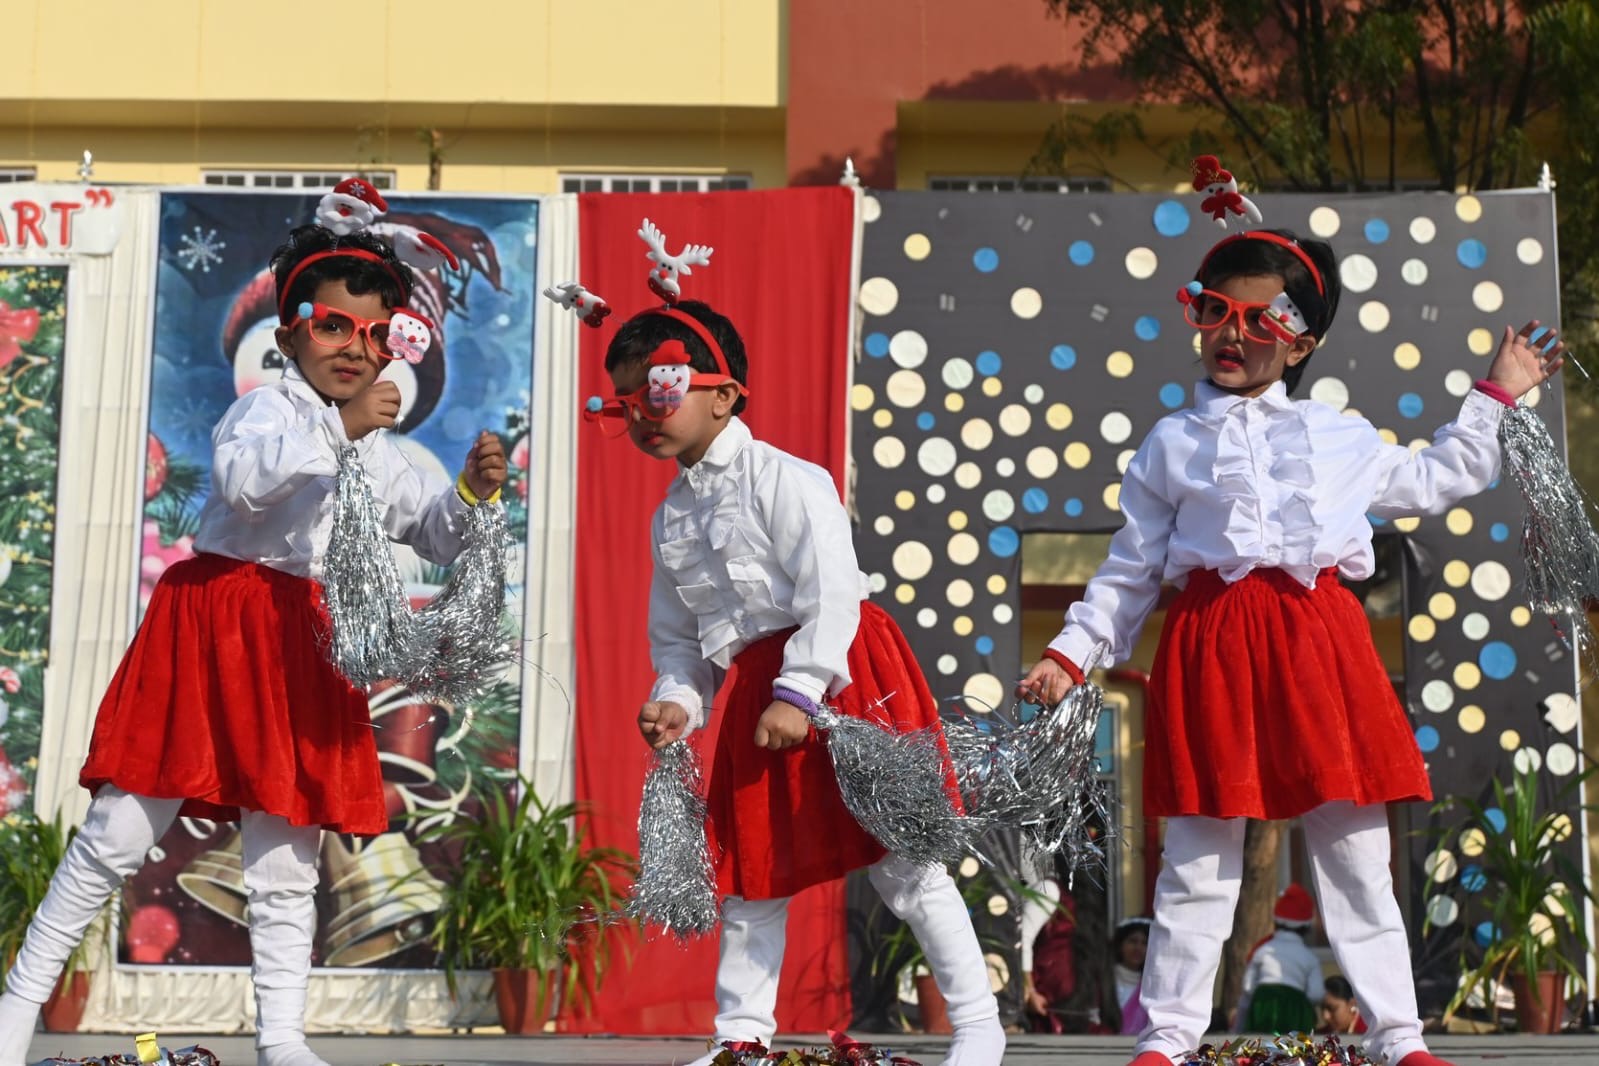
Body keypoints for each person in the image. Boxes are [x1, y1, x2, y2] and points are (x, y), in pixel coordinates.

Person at [1017, 225, 1565, 1066]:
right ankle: (1167, 1036)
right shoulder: (1171, 442)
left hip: (1320, 646)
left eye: (1259, 319)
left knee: (1353, 850)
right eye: (1214, 311)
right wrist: (1069, 652)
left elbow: (1438, 476)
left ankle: (1397, 1034)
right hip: (1211, 645)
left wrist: (1494, 393)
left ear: (1301, 342)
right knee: (1197, 853)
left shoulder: (1338, 436)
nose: (1231, 333)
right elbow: (1130, 568)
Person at [0, 223, 507, 1066]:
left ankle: (281, 1039)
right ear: (290, 334)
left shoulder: (380, 448)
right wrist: (342, 427)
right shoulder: (266, 410)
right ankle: (17, 1004)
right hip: (214, 628)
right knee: (119, 834)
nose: (356, 348)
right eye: (334, 326)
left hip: (304, 642)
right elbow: (246, 483)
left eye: (377, 333)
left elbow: (434, 533)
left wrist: (470, 490)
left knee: (286, 856)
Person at [608, 300, 1003, 1066]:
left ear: (723, 395)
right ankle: (740, 1039)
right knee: (751, 871)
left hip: (843, 671)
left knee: (903, 861)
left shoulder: (785, 478)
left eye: (657, 392)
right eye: (625, 401)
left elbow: (832, 593)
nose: (640, 415)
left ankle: (979, 1027)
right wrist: (678, 700)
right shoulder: (669, 518)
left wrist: (801, 690)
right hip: (759, 692)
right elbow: (680, 641)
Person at [1236, 883, 1323, 1033]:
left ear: (1276, 920)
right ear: (1306, 926)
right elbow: (1317, 993)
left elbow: (1248, 987)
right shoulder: (1309, 958)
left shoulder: (1262, 950)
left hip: (1262, 1003)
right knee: (1295, 1045)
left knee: (1259, 1044)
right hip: (1294, 1008)